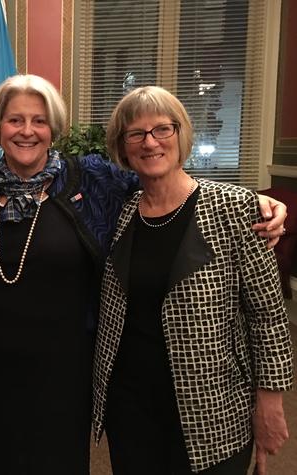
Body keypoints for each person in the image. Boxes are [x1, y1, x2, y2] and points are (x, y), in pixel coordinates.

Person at [0, 75, 288, 474]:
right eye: (15, 120)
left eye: (39, 120)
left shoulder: (92, 182)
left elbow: (268, 315)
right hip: (45, 380)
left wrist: (259, 202)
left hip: (96, 378)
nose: (27, 131)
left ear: (54, 129)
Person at [92, 86, 294, 475]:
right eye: (136, 133)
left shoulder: (236, 208)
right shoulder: (121, 212)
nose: (150, 142)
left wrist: (270, 402)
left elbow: (269, 315)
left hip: (212, 411)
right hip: (130, 405)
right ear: (123, 146)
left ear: (181, 133)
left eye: (162, 129)